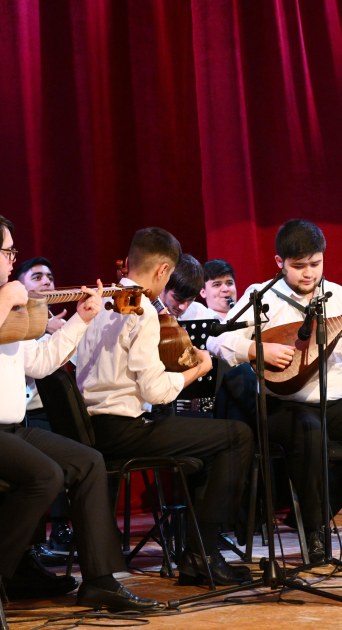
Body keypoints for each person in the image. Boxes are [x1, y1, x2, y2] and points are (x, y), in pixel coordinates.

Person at [0, 210, 158, 626]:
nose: (14, 261)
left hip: (6, 430)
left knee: (88, 461)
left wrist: (82, 320)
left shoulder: (5, 304)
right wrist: (3, 301)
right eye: (9, 253)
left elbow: (42, 361)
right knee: (45, 475)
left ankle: (100, 578)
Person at [208, 219, 342, 562]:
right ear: (280, 263)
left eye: (316, 264)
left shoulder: (339, 297)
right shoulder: (261, 296)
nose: (309, 274)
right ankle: (315, 535)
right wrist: (255, 351)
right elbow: (217, 338)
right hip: (282, 405)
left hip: (335, 399)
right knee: (309, 431)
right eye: (299, 266)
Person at [75, 228, 253, 586]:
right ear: (162, 272)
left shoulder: (103, 303)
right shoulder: (140, 311)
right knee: (237, 436)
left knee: (209, 447)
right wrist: (200, 369)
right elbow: (156, 391)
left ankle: (197, 552)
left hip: (90, 428)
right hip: (124, 430)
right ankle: (203, 553)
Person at [13, 257, 74, 553]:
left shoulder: (56, 322)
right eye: (37, 277)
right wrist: (46, 331)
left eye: (49, 276)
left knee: (86, 442)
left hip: (56, 409)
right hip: (24, 412)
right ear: (20, 284)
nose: (47, 282)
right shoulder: (14, 316)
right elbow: (30, 367)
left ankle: (70, 527)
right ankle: (35, 538)